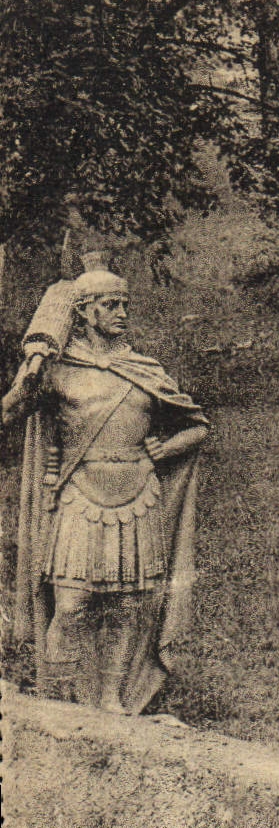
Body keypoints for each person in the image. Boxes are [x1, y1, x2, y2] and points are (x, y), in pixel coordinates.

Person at [3, 259, 208, 713]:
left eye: (124, 304)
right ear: (83, 312)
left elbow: (197, 427)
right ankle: (57, 700)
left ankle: (113, 698)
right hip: (79, 497)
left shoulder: (144, 369)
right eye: (110, 304)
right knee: (73, 604)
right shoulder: (58, 372)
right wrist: (28, 374)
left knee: (128, 606)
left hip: (138, 498)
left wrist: (161, 451)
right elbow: (9, 413)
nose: (121, 313)